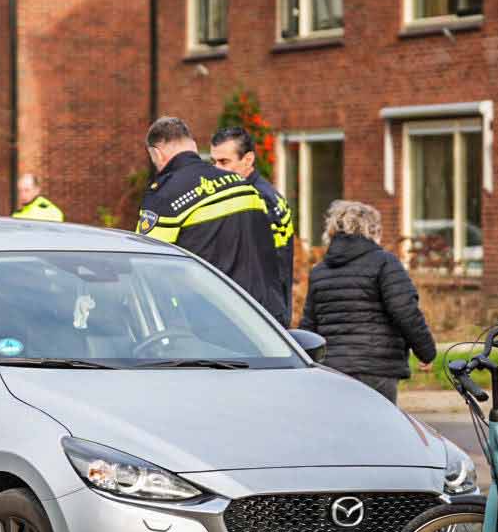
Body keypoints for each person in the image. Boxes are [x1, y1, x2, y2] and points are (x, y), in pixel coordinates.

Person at [136, 116, 286, 325]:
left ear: (158, 154)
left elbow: (146, 264)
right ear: (194, 147)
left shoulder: (164, 195)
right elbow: (273, 254)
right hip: (263, 321)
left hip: (210, 325)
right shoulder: (243, 186)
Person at [298, 201, 436, 405]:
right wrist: (426, 352)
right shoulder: (385, 263)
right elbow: (405, 311)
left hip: (333, 370)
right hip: (377, 369)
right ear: (372, 229)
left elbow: (309, 326)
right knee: (378, 431)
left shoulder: (320, 271)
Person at [209, 126, 295, 320]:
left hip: (261, 314)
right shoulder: (261, 194)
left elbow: (260, 263)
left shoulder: (258, 200)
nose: (216, 169)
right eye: (213, 162)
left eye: (224, 162)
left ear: (248, 160)